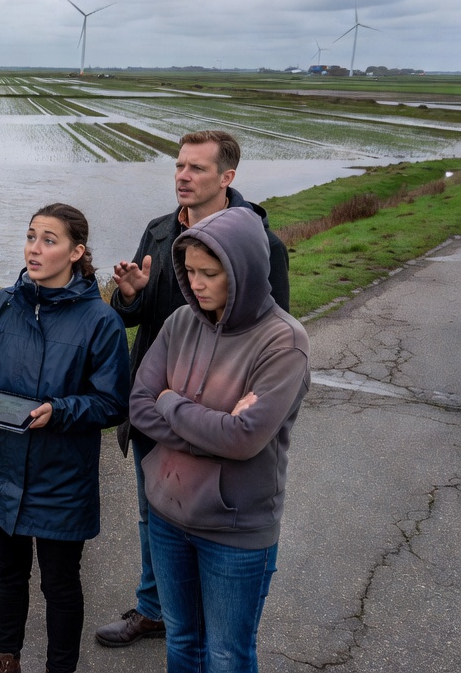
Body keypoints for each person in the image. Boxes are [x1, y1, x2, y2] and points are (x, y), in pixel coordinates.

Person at [96, 129, 290, 649]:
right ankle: (155, 608)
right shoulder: (160, 232)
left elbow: (272, 330)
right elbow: (134, 317)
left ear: (227, 178)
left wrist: (228, 414)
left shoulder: (261, 243)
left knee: (210, 517)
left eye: (197, 169)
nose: (182, 176)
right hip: (158, 406)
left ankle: (210, 611)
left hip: (212, 414)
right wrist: (131, 295)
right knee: (153, 511)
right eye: (179, 166)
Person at [128, 206, 310, 672]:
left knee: (228, 655)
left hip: (235, 531)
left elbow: (244, 439)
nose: (198, 283)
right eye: (190, 272)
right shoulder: (179, 324)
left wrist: (171, 403)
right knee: (182, 642)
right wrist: (212, 424)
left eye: (210, 273)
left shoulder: (282, 342)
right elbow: (139, 406)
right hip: (168, 516)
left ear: (244, 269)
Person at [0, 203, 130, 673]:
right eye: (31, 236)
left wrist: (61, 411)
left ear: (76, 252)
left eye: (49, 240)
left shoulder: (100, 321)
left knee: (60, 583)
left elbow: (113, 402)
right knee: (8, 573)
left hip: (61, 475)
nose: (35, 247)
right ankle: (5, 656)